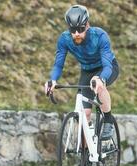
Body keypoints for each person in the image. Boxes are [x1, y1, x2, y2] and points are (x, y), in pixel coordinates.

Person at [45, 4, 120, 141]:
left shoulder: (100, 35)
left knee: (99, 85)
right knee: (84, 115)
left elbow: (107, 66)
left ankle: (108, 120)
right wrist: (53, 80)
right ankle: (87, 156)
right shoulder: (64, 39)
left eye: (80, 29)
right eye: (73, 30)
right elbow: (58, 64)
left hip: (107, 68)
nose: (77, 34)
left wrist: (101, 78)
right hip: (87, 71)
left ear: (87, 25)